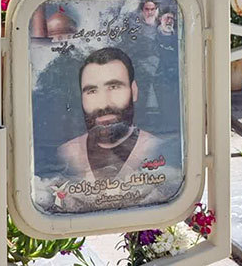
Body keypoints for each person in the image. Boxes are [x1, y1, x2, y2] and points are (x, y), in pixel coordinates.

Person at [56, 47, 181, 184]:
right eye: (92, 91)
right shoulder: (68, 154)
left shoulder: (157, 150)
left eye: (114, 87)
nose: (103, 104)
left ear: (133, 91)